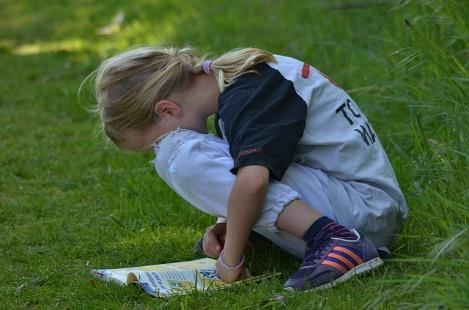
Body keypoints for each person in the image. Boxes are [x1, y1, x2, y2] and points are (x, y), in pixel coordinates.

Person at [92, 46, 408, 291]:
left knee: (180, 157)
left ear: (166, 109)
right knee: (222, 170)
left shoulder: (250, 89)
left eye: (154, 142)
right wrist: (233, 225)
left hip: (360, 213)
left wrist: (230, 261)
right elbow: (256, 164)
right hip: (357, 206)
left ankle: (332, 240)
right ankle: (312, 234)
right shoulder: (236, 86)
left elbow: (254, 181)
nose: (160, 147)